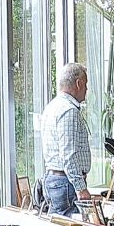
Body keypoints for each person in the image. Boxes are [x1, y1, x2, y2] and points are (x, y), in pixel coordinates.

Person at [40, 63, 91, 216]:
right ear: (79, 83)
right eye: (86, 84)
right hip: (65, 183)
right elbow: (69, 155)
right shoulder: (69, 111)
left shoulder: (52, 107)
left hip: (55, 179)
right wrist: (81, 188)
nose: (87, 89)